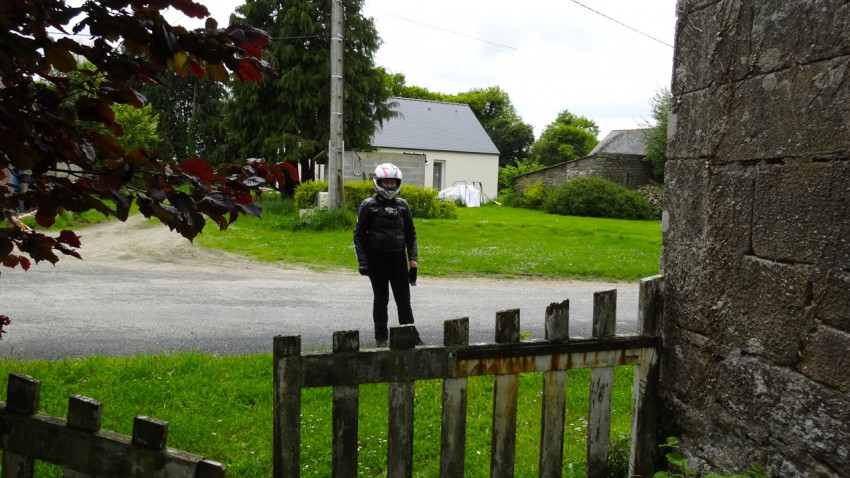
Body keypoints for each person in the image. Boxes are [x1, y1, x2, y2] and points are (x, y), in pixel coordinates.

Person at [353, 163, 422, 347]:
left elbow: (411, 234)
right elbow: (358, 235)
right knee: (381, 299)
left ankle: (410, 335)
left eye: (393, 182)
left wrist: (413, 259)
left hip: (398, 258)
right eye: (386, 182)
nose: (390, 186)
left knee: (403, 300)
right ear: (378, 182)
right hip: (376, 260)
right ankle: (381, 338)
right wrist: (363, 261)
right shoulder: (368, 205)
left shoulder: (403, 205)